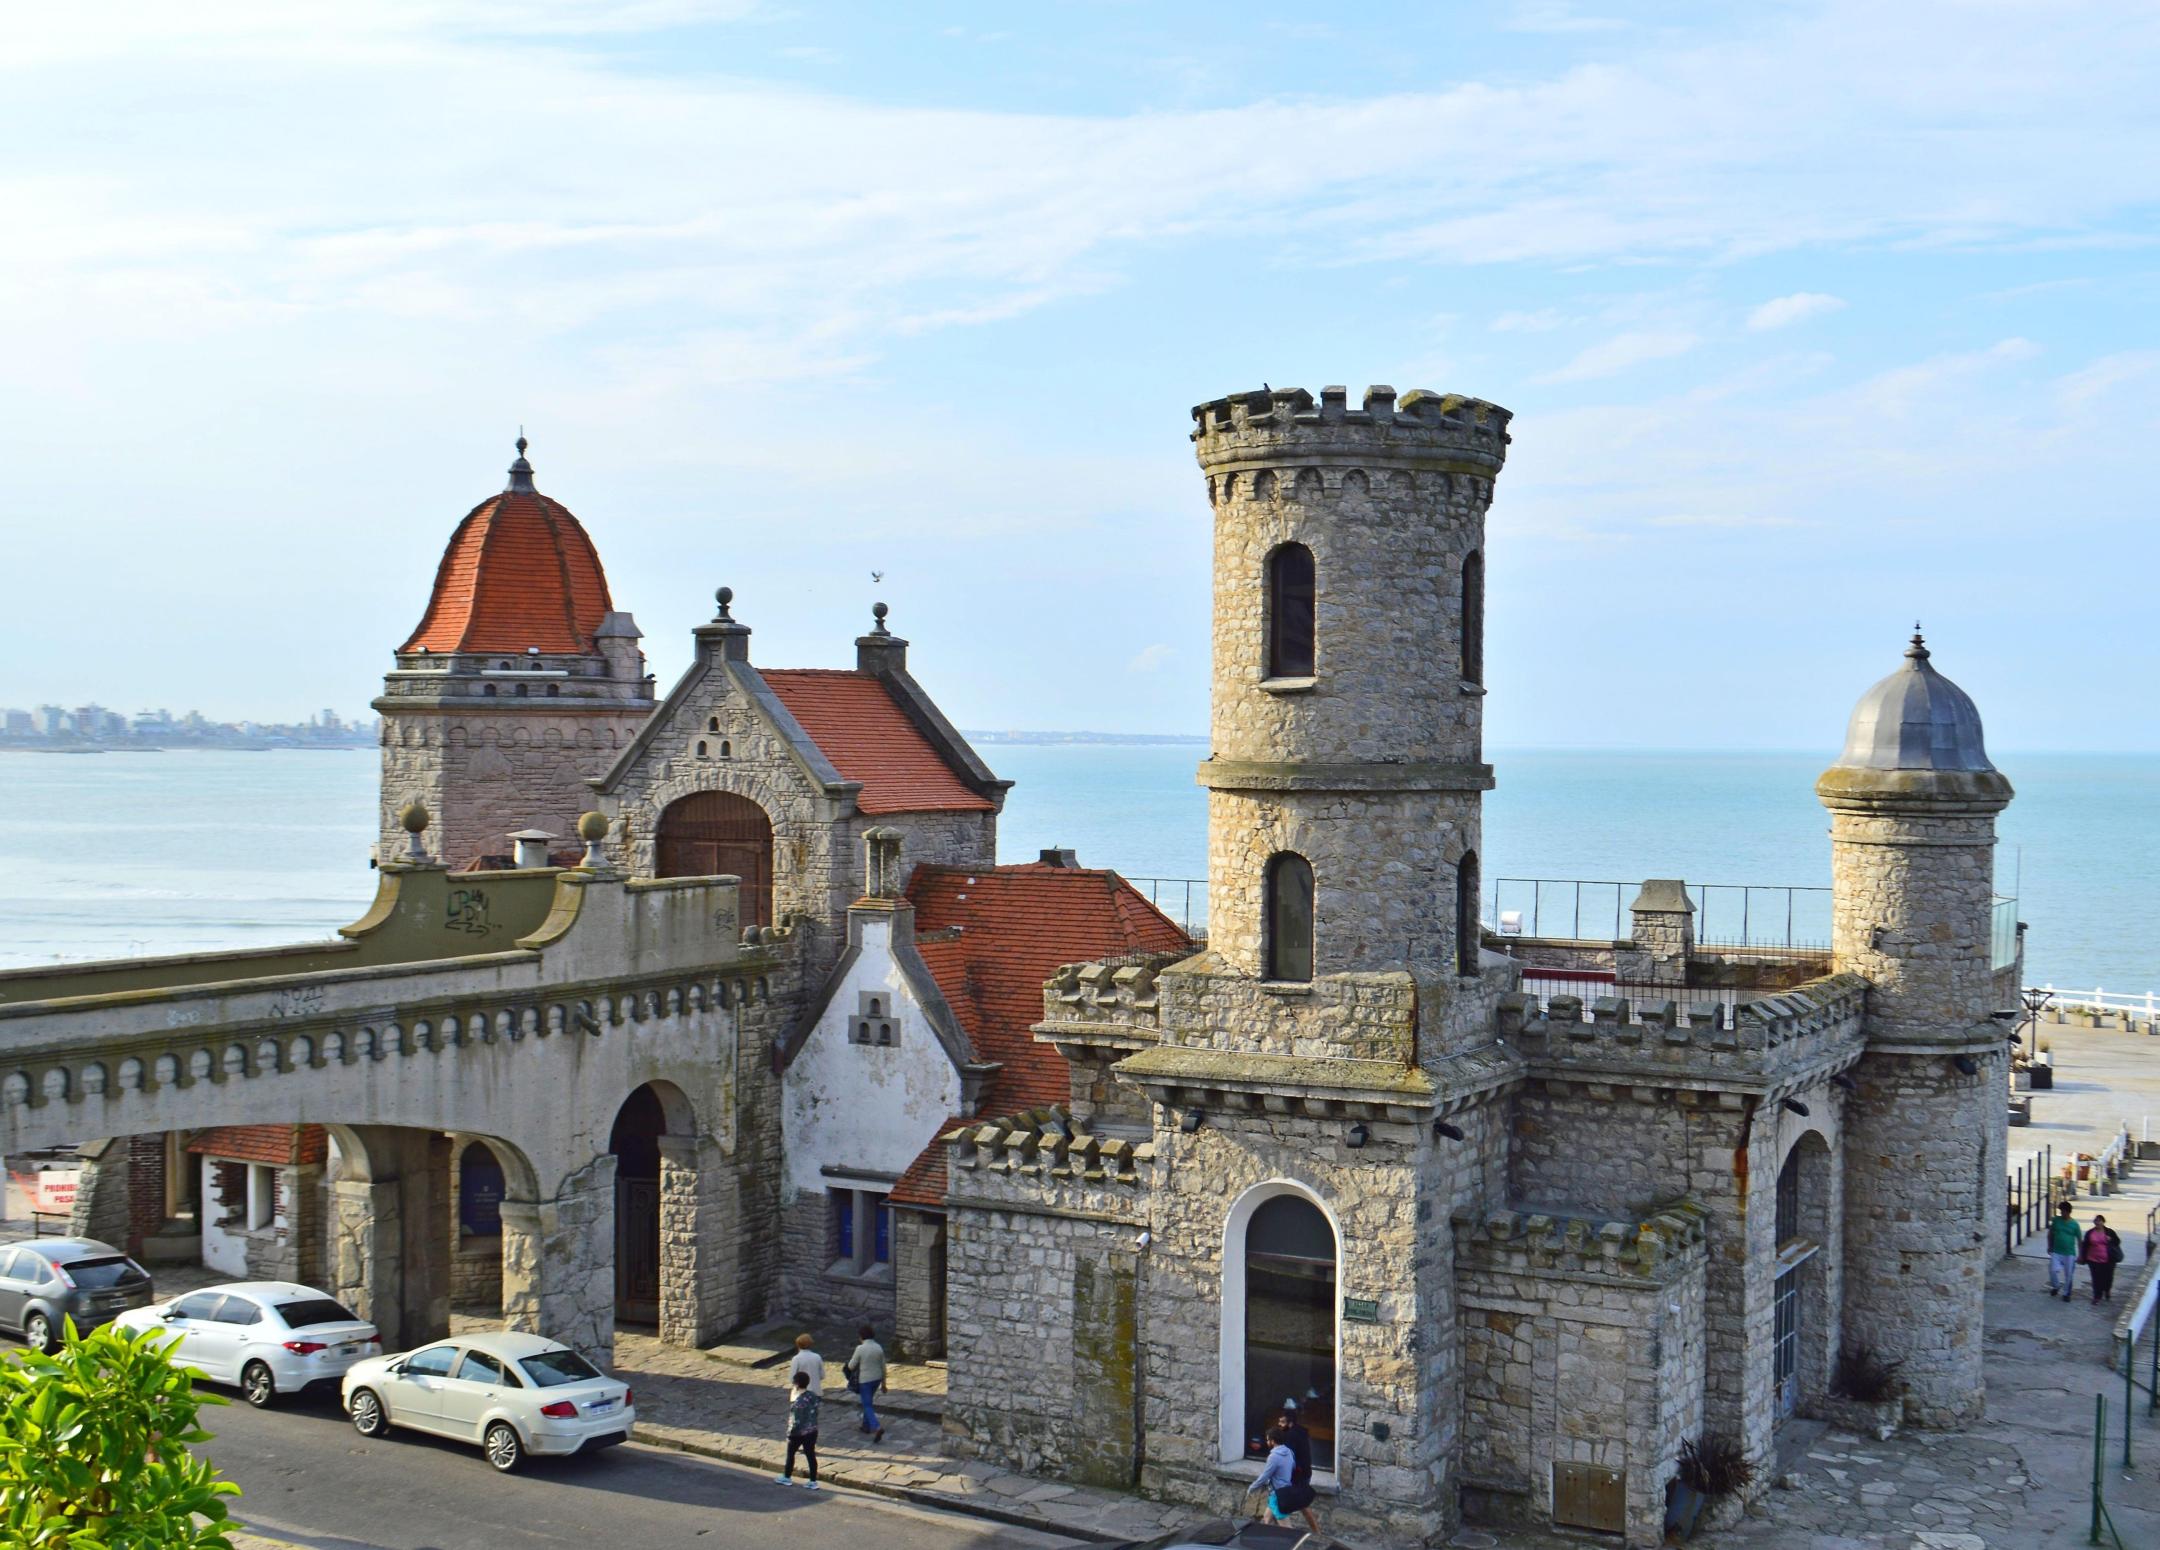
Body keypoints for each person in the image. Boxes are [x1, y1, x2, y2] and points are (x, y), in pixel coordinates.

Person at [1274, 1399, 1322, 1535]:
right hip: (1304, 1473)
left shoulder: (1290, 1436)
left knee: (1281, 1506)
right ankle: (1317, 1533)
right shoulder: (1301, 1432)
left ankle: (1289, 1537)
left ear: (1290, 1422)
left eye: (1282, 1422)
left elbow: (1288, 1458)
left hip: (1296, 1477)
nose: (1279, 1424)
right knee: (1301, 1506)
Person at [775, 1369, 822, 1489]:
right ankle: (813, 1480)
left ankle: (787, 1476)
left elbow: (796, 1421)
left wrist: (790, 1434)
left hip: (798, 1433)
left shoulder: (798, 1402)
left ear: (796, 1384)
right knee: (810, 1455)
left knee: (791, 1454)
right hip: (812, 1430)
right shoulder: (812, 1396)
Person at [1245, 1424, 1296, 1525]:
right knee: (1266, 1519)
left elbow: (1264, 1476)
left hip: (1278, 1494)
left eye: (1268, 1440)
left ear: (1273, 1441)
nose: (1267, 1442)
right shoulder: (1289, 1452)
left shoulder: (1274, 1457)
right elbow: (1293, 1468)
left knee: (1286, 1528)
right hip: (1284, 1492)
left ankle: (1294, 1541)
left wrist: (1251, 1488)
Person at [845, 1323, 887, 1442]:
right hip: (877, 1378)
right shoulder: (879, 1347)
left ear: (861, 1337)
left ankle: (876, 1426)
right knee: (868, 1401)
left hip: (865, 1380)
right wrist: (884, 1383)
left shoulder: (860, 1349)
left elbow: (851, 1366)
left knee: (867, 1404)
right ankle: (866, 1426)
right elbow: (883, 1367)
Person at [2085, 1214, 2124, 1303]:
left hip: (2108, 1260)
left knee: (2108, 1277)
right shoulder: (2090, 1232)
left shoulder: (2109, 1232)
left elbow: (2117, 1241)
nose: (2097, 1222)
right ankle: (2097, 1296)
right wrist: (2083, 1257)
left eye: (2099, 1221)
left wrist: (2111, 1239)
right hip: (2093, 1259)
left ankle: (2107, 1290)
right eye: (2096, 1220)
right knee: (2096, 1278)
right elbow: (2085, 1245)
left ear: (2103, 1222)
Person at [2047, 1200, 2081, 1301]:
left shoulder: (2075, 1224)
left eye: (2063, 1211)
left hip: (2069, 1253)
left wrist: (2081, 1254)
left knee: (2069, 1274)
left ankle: (2066, 1293)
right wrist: (2049, 1246)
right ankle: (2056, 1286)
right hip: (2056, 1250)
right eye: (2061, 1211)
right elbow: (2050, 1234)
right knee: (2052, 1270)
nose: (2061, 1213)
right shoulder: (2056, 1220)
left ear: (2068, 1211)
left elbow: (2079, 1240)